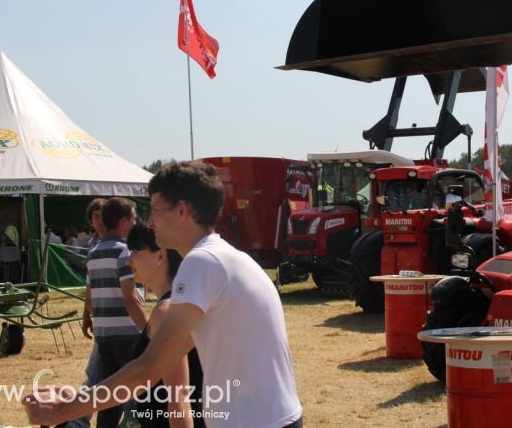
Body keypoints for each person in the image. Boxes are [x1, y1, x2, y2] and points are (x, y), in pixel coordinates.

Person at [25, 161, 303, 428]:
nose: (149, 222)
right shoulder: (222, 257)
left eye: (156, 210)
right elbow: (163, 362)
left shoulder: (202, 262)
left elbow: (149, 368)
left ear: (182, 211)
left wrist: (64, 410)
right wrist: (77, 399)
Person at [126, 223, 204, 428]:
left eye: (135, 251)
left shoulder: (166, 312)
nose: (128, 260)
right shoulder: (181, 305)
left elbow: (179, 397)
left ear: (160, 256)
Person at [86, 197, 146, 428]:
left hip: (104, 336)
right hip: (127, 335)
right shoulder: (125, 252)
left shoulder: (93, 253)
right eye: (133, 218)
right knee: (142, 395)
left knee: (110, 399)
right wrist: (148, 331)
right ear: (123, 222)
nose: (135, 222)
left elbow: (90, 298)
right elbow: (130, 299)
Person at [68, 198, 107, 428]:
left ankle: (78, 421)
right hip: (103, 321)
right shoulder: (92, 246)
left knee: (97, 375)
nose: (99, 221)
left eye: (103, 215)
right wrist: (86, 316)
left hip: (117, 322)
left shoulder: (124, 244)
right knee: (97, 375)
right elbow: (89, 285)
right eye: (95, 216)